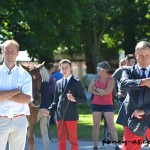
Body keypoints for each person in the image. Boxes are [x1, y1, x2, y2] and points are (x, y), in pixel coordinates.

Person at [42, 59, 87, 150]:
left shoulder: (76, 82)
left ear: (70, 68)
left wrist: (74, 99)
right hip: (60, 116)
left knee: (73, 140)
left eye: (66, 67)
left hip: (71, 115)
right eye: (62, 68)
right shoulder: (58, 83)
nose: (64, 69)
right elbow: (55, 101)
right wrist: (49, 110)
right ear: (60, 69)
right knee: (61, 140)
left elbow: (84, 100)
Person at [116, 41, 150, 150]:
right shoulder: (127, 70)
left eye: (147, 55)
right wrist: (143, 82)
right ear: (135, 55)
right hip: (132, 118)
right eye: (141, 56)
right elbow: (123, 84)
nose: (144, 58)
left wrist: (145, 111)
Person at [0, 40, 32, 150]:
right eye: (7, 51)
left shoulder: (24, 74)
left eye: (12, 51)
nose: (9, 54)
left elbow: (26, 99)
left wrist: (3, 94)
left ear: (17, 53)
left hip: (19, 121)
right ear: (2, 53)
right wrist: (16, 91)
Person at [88, 61, 119, 150]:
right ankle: (95, 146)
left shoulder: (111, 79)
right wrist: (100, 93)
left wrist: (96, 88)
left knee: (111, 124)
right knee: (96, 125)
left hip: (108, 104)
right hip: (96, 104)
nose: (97, 70)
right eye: (97, 68)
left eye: (99, 69)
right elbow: (90, 89)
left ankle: (116, 146)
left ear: (105, 70)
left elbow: (107, 92)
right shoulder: (96, 78)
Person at [37, 63, 56, 150]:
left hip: (39, 109)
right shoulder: (49, 82)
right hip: (47, 109)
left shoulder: (37, 85)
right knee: (45, 133)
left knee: (28, 128)